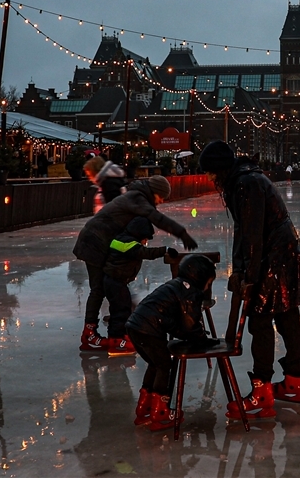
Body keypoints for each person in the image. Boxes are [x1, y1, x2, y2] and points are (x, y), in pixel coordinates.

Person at [198, 140, 300, 420]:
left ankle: (262, 391)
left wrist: (246, 276)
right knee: (287, 317)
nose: (210, 178)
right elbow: (247, 231)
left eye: (212, 173)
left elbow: (250, 233)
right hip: (282, 253)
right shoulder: (249, 177)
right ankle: (293, 383)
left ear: (221, 168)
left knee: (261, 321)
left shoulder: (246, 184)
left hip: (272, 258)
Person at [72, 175, 198, 352]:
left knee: (111, 288)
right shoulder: (137, 198)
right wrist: (182, 234)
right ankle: (90, 334)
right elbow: (158, 219)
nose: (161, 201)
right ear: (154, 192)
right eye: (161, 197)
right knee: (99, 288)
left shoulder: (136, 197)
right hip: (94, 242)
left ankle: (113, 330)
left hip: (100, 241)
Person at [126, 253, 217, 432]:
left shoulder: (175, 285)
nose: (208, 286)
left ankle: (145, 407)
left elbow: (176, 323)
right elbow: (190, 324)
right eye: (209, 282)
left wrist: (184, 333)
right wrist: (203, 340)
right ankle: (160, 411)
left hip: (135, 326)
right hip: (149, 329)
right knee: (163, 365)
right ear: (201, 277)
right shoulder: (191, 292)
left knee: (154, 364)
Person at [103, 217, 179, 356]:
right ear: (138, 234)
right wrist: (165, 250)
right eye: (145, 239)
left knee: (123, 308)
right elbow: (145, 253)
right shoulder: (128, 244)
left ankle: (121, 338)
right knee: (120, 312)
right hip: (116, 282)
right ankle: (116, 342)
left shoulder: (121, 239)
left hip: (115, 281)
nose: (145, 242)